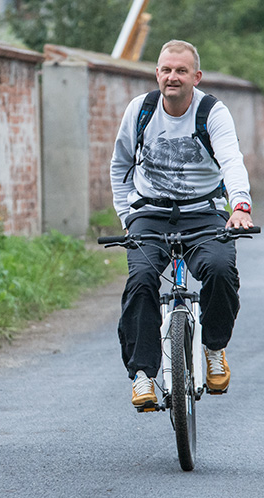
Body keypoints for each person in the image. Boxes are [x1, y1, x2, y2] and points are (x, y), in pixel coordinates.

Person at [109, 40, 254, 407]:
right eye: (166, 70)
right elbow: (120, 166)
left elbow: (231, 161)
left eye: (181, 71)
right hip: (149, 214)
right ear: (157, 73)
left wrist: (239, 206)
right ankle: (143, 375)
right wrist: (128, 218)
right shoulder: (140, 111)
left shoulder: (212, 112)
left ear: (196, 76)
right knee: (141, 279)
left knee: (221, 269)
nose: (172, 77)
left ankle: (214, 348)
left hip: (203, 211)